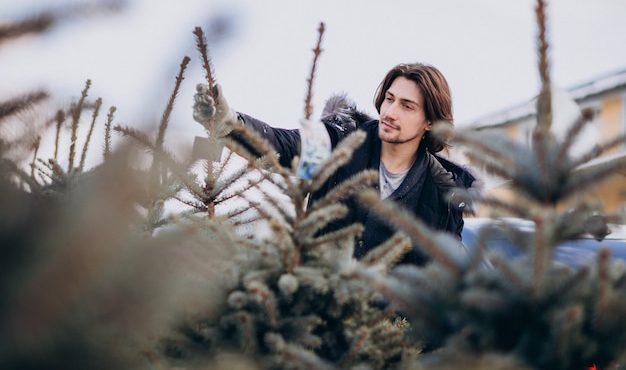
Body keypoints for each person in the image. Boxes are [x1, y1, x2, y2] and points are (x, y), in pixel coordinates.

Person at [193, 62, 479, 266]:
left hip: (388, 339)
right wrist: (232, 124)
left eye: (407, 106)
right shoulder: (341, 138)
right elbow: (285, 147)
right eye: (389, 99)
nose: (390, 112)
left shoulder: (445, 194)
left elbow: (443, 281)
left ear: (430, 122)